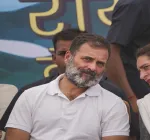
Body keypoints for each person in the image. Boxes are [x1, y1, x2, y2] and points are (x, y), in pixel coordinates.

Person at [0, 28, 138, 139]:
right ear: (67, 57)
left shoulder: (114, 103)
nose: (92, 67)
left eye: (100, 63)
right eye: (87, 59)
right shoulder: (30, 96)